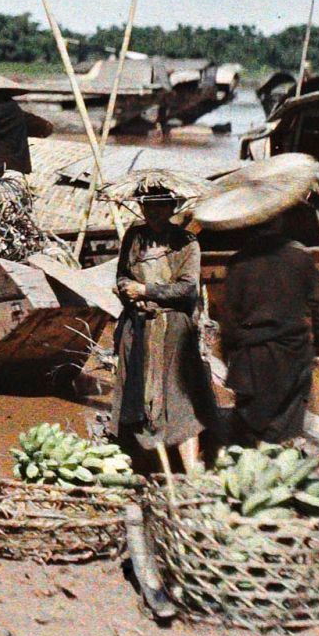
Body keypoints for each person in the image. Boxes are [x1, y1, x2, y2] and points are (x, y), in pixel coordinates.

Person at [111, 183, 216, 471]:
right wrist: (127, 289)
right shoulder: (134, 237)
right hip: (138, 328)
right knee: (138, 397)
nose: (153, 212)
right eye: (148, 206)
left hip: (173, 331)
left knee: (180, 397)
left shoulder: (186, 242)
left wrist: (146, 290)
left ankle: (191, 471)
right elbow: (122, 275)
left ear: (172, 208)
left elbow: (187, 289)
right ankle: (149, 467)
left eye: (160, 206)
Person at [215, 213, 319, 445]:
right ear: (279, 222)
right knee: (285, 424)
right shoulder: (300, 258)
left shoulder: (238, 262)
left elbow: (227, 317)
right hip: (292, 353)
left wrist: (229, 357)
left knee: (251, 426)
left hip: (251, 357)